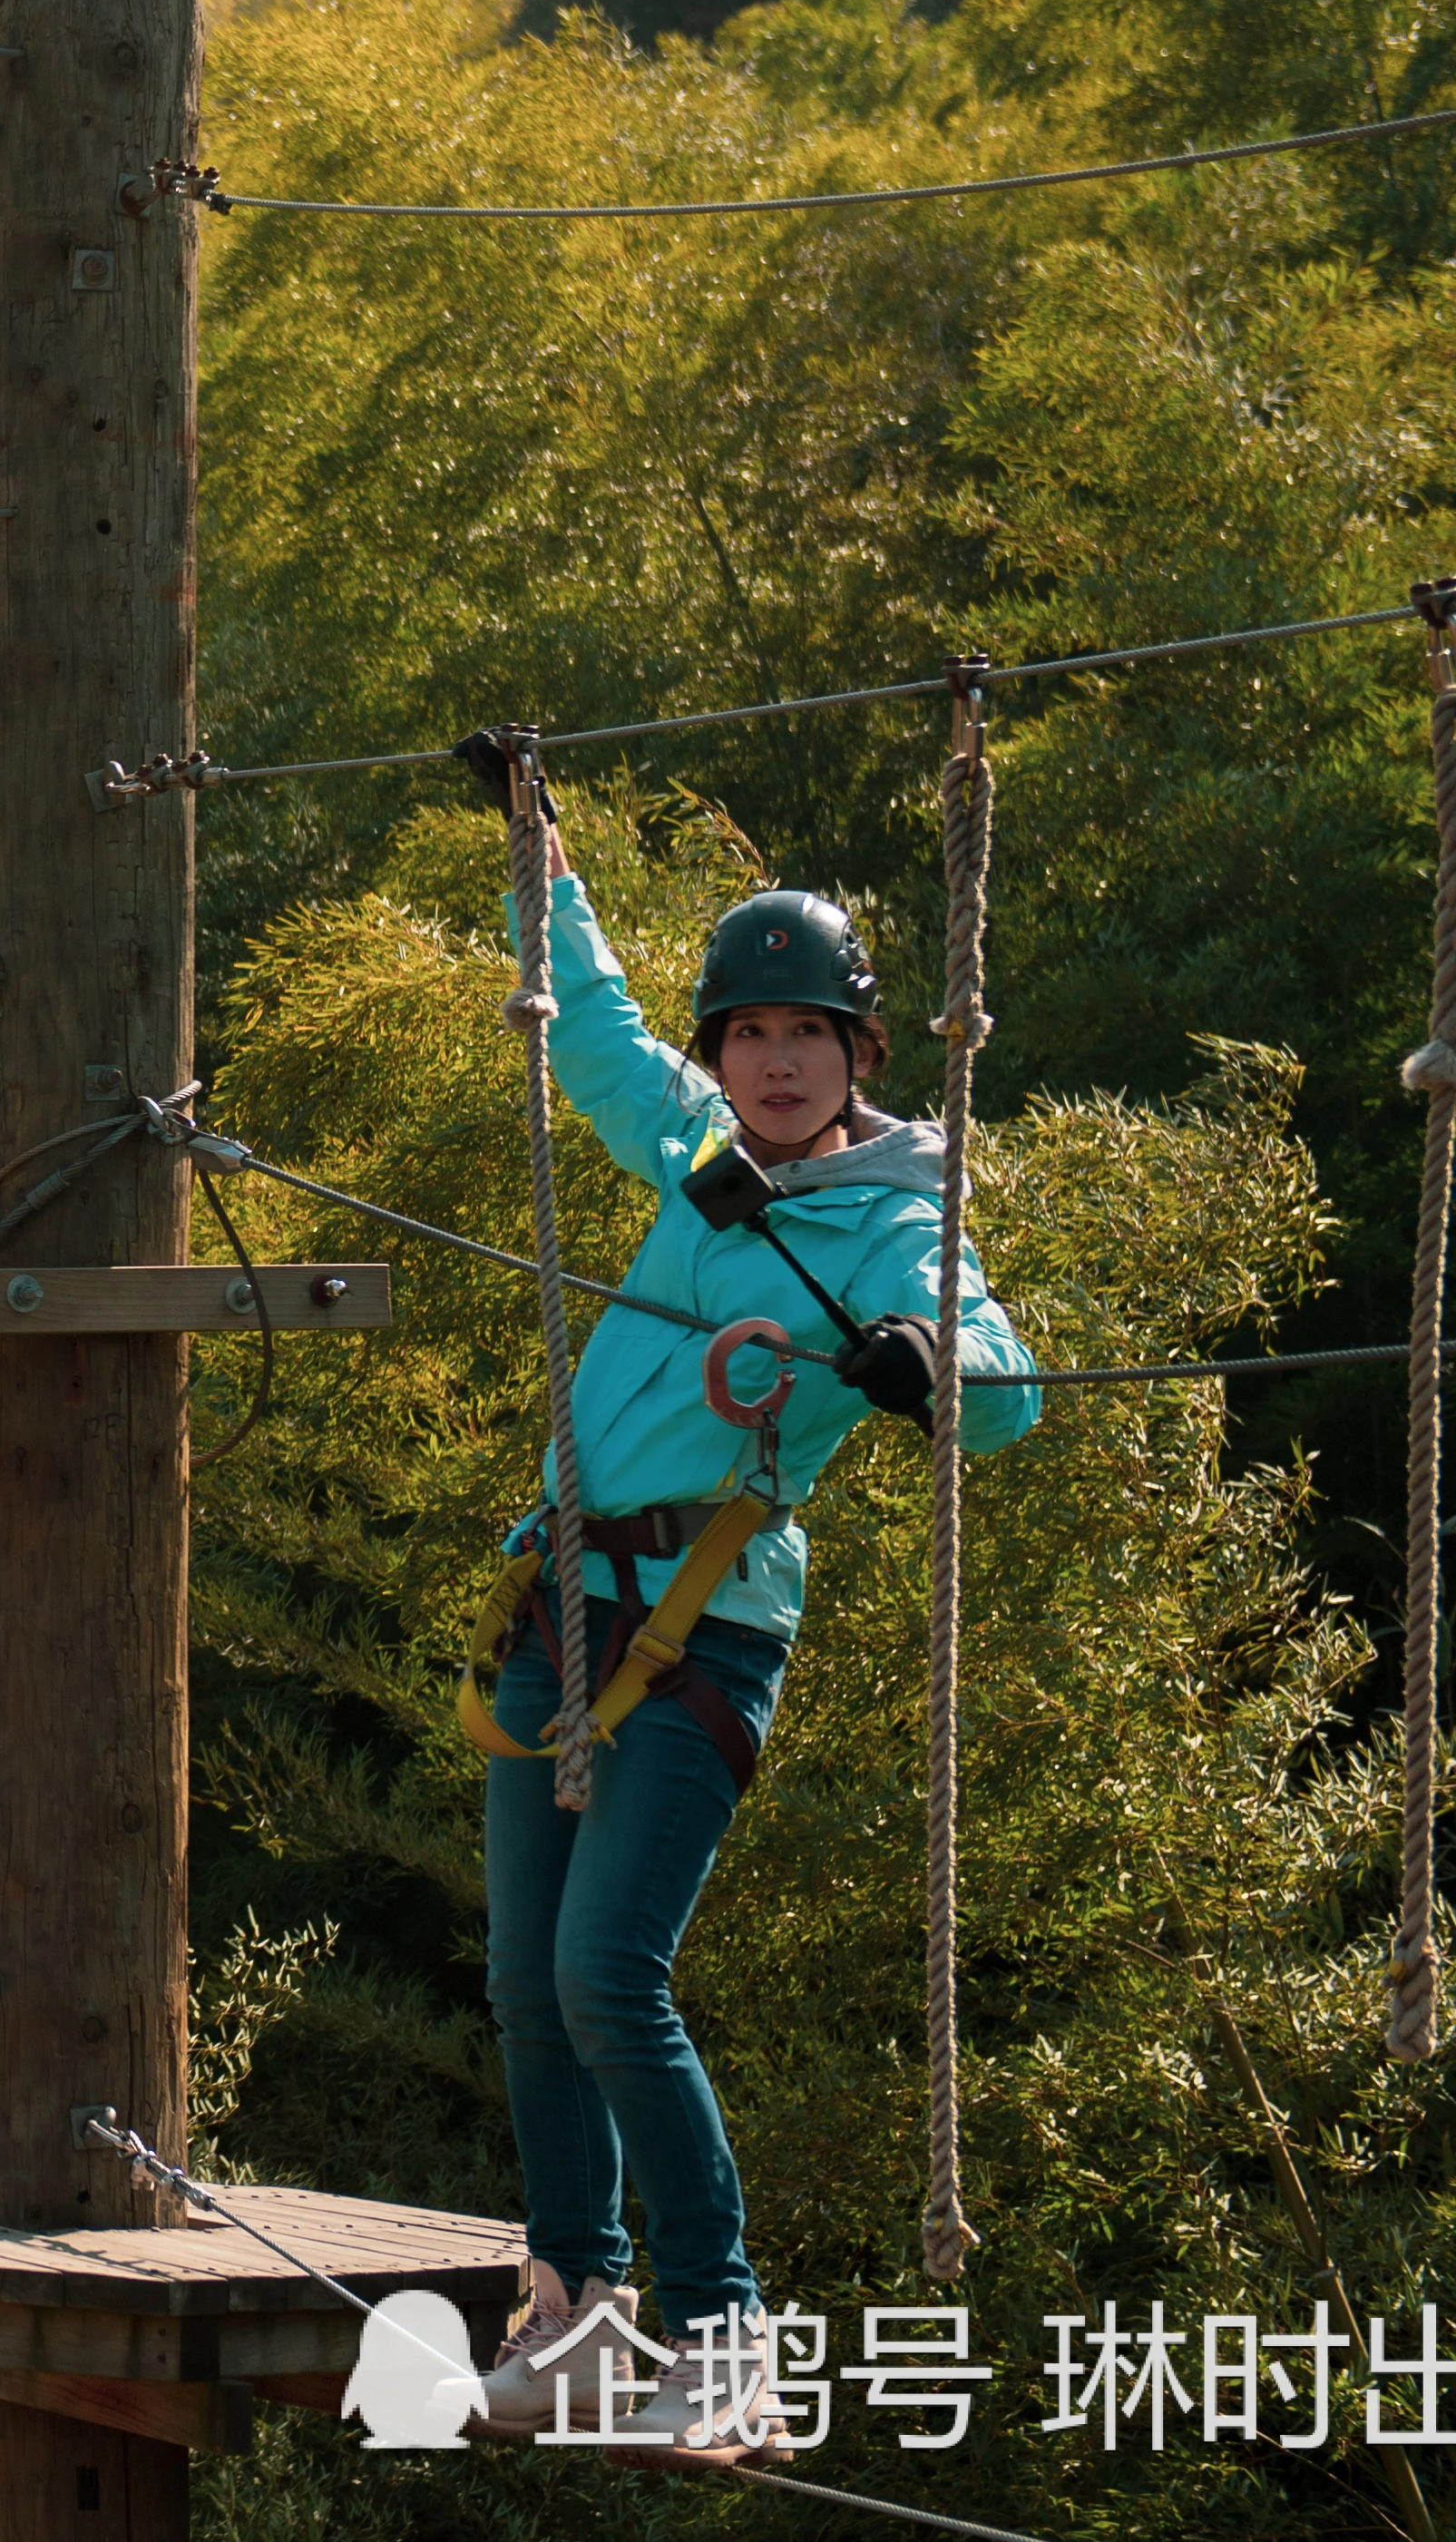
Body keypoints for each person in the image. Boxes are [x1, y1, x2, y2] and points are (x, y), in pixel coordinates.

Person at [464, 803, 1041, 2459]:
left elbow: (1000, 1379)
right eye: (749, 1030)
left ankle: (726, 2331)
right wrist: (540, 867)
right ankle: (576, 2306)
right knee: (523, 1982)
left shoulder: (893, 1215)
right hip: (560, 1598)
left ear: (856, 1049)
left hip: (703, 1630)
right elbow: (594, 1041)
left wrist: (929, 1367)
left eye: (807, 1031)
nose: (774, 1059)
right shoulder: (699, 1154)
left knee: (605, 1974)